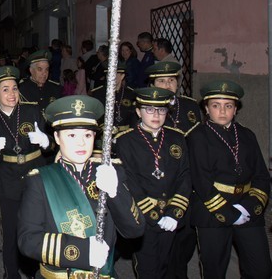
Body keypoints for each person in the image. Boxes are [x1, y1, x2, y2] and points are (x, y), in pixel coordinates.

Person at [18, 95, 146, 278]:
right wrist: (82, 251)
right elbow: (28, 241)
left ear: (95, 136)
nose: (81, 142)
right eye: (71, 135)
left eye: (87, 134)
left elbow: (135, 230)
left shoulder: (110, 172)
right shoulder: (40, 181)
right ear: (57, 137)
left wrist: (115, 191)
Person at [186, 80, 272, 279]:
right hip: (212, 210)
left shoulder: (247, 135)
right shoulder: (197, 137)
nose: (222, 111)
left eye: (228, 106)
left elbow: (261, 175)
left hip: (247, 206)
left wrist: (249, 207)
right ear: (207, 109)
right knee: (214, 269)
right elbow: (201, 181)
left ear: (235, 110)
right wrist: (229, 213)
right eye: (216, 105)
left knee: (261, 269)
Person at [114, 87, 191, 279]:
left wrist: (175, 213)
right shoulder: (125, 141)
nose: (156, 115)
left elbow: (185, 175)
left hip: (172, 216)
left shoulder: (177, 137)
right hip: (143, 217)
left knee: (166, 265)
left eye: (161, 109)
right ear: (138, 111)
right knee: (148, 269)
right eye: (149, 109)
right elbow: (129, 181)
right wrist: (153, 214)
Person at [0, 65, 49, 278]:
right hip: (8, 180)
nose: (11, 94)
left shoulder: (31, 110)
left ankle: (34, 272)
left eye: (14, 88)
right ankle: (10, 272)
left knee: (36, 227)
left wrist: (46, 142)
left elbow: (51, 146)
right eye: (5, 89)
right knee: (10, 231)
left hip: (34, 177)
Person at [143, 61, 200, 279]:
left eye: (171, 80)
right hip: (160, 185)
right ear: (152, 83)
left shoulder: (191, 106)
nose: (167, 84)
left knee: (185, 241)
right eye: (161, 81)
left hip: (188, 183)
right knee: (159, 251)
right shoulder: (147, 109)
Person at [90, 62, 136, 136]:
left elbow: (134, 118)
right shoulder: (97, 93)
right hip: (104, 134)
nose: (111, 77)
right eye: (109, 74)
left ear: (122, 76)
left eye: (115, 75)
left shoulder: (130, 94)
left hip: (125, 135)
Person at [17, 49, 63, 114]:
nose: (44, 73)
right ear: (31, 70)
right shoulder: (21, 89)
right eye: (40, 69)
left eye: (46, 69)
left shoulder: (55, 88)